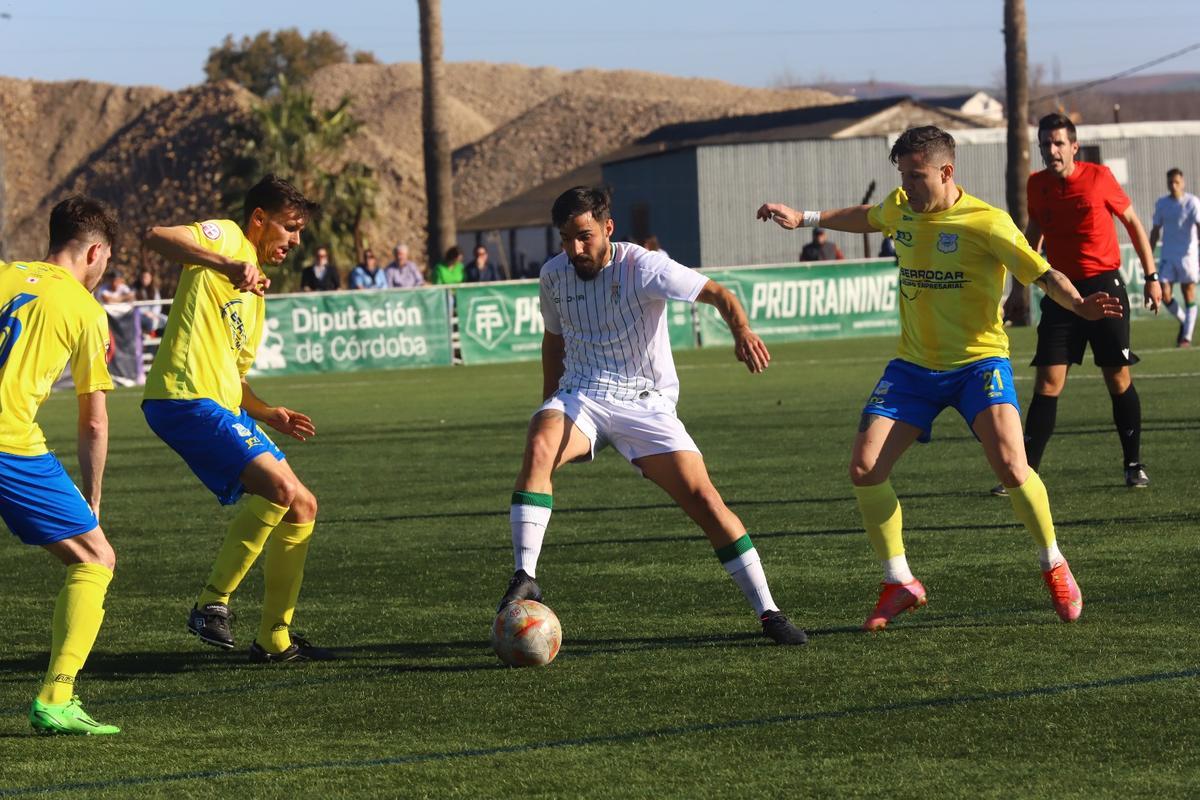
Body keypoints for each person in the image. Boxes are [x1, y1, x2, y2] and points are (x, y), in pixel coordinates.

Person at [757, 125, 1122, 630]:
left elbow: (1040, 273)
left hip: (979, 364)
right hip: (913, 367)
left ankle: (1054, 562)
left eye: (915, 175)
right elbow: (870, 216)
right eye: (902, 175)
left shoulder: (988, 223)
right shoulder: (902, 206)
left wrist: (1078, 303)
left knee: (1014, 468)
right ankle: (900, 580)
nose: (905, 186)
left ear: (946, 171)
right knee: (865, 469)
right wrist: (806, 218)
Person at [497, 186, 807, 646]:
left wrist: (741, 331)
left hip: (645, 403)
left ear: (608, 228)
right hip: (580, 395)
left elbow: (718, 293)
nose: (574, 249)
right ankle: (525, 575)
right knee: (540, 441)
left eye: (583, 236)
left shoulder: (643, 265)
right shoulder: (553, 275)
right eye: (565, 239)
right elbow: (554, 340)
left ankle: (769, 611)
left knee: (704, 500)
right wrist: (550, 403)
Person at [141, 174, 333, 663]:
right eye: (290, 228)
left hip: (217, 404)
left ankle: (275, 638)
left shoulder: (257, 293)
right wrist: (227, 261)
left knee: (303, 505)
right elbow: (157, 236)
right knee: (282, 490)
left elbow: (235, 377)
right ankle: (211, 603)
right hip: (182, 397)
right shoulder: (226, 235)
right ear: (259, 220)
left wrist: (270, 413)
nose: (295, 241)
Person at [2, 196, 121, 734]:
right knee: (95, 557)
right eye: (106, 263)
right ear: (95, 252)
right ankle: (56, 696)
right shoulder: (84, 310)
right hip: (9, 445)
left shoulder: (5, 273)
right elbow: (93, 423)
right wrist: (91, 499)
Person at [1018, 113, 1161, 491]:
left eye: (1059, 143)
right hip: (1060, 289)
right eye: (1045, 143)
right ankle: (1025, 473)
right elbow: (1033, 232)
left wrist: (1151, 277)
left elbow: (1133, 223)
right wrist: (1025, 276)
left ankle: (1133, 463)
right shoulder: (1036, 185)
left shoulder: (1099, 178)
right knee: (1048, 381)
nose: (1051, 150)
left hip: (1104, 287)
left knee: (1117, 377)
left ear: (1074, 146)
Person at [1150, 168, 1200, 347]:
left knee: (1188, 293)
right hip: (1168, 255)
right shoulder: (1162, 203)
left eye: (1176, 182)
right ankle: (1185, 320)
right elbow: (1155, 230)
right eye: (1170, 182)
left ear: (1183, 183)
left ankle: (1186, 338)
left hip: (1188, 255)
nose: (1173, 186)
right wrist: (1148, 252)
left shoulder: (1192, 202)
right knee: (1164, 293)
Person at [134, 268, 165, 335]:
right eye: (143, 277)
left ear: (151, 278)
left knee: (166, 320)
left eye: (147, 277)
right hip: (141, 315)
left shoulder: (154, 290)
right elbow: (133, 306)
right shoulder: (135, 290)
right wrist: (145, 313)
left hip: (153, 315)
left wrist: (153, 314)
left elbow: (158, 305)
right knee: (148, 322)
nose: (144, 279)